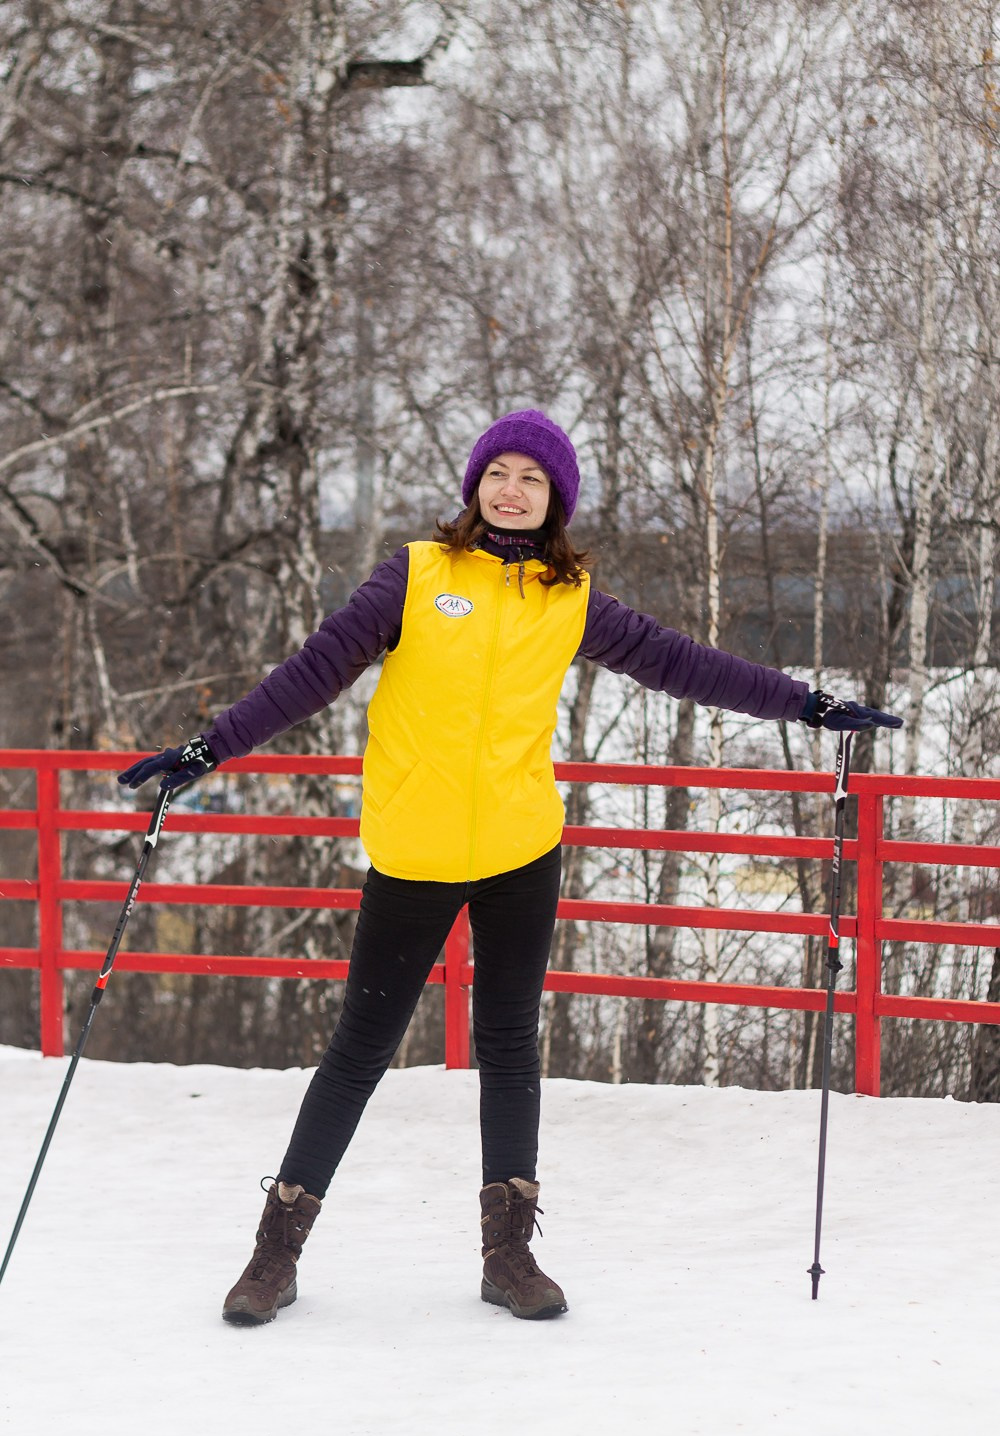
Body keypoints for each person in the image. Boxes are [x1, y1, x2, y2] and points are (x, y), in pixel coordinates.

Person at [119, 409, 902, 1325]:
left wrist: (807, 704)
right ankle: (272, 1256)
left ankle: (509, 1254)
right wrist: (211, 748)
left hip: (520, 852)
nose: (513, 488)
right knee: (358, 1053)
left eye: (534, 477)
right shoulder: (414, 575)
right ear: (476, 485)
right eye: (501, 472)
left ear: (555, 500)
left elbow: (691, 668)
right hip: (414, 853)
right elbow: (314, 671)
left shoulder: (573, 602)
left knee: (510, 1047)